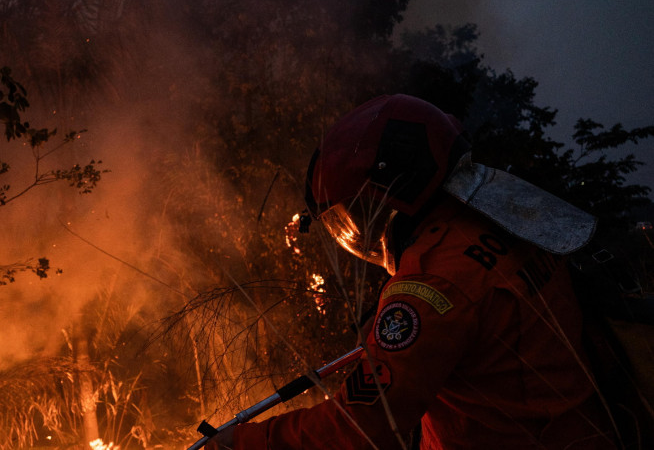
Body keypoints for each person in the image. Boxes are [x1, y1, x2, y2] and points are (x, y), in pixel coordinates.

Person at [205, 94, 618, 449]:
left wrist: (245, 442)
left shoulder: (430, 286)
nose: (358, 231)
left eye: (355, 213)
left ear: (393, 194)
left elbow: (358, 429)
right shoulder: (508, 221)